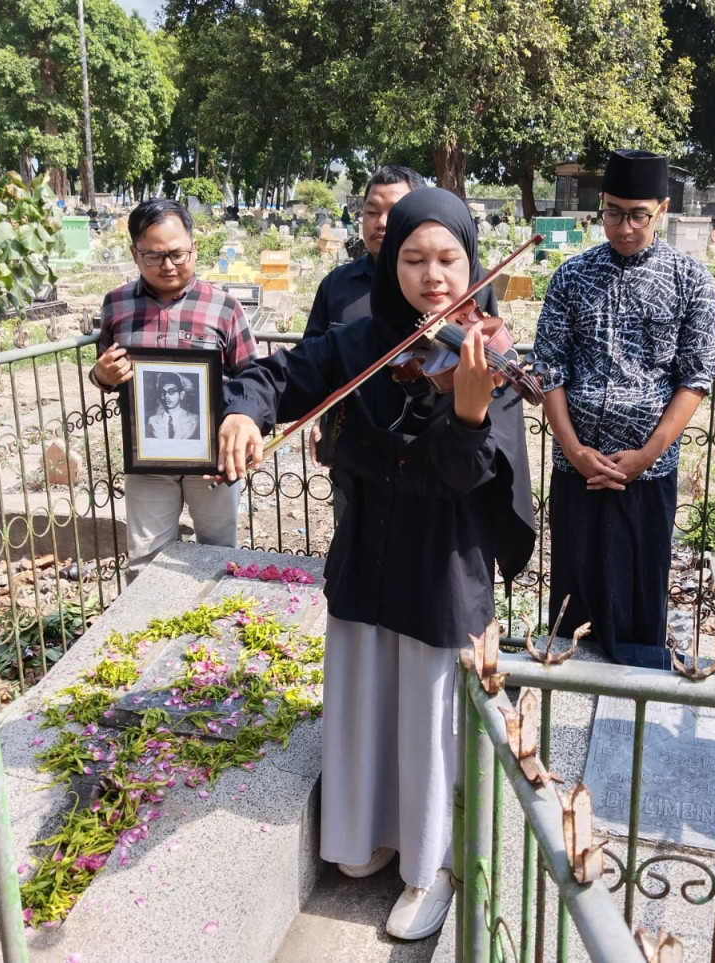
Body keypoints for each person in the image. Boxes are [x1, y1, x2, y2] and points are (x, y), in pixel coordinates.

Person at [217, 189, 536, 941]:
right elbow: (276, 374)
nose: (432, 277)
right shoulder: (360, 341)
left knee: (428, 720)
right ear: (388, 262)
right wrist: (243, 410)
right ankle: (364, 837)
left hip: (440, 569)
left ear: (471, 262)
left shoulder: (489, 355)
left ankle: (433, 867)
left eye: (448, 259)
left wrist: (466, 411)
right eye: (414, 259)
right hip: (367, 556)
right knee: (366, 698)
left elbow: (471, 481)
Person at [530, 148, 715, 668]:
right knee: (574, 582)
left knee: (640, 585)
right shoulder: (572, 277)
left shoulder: (690, 281)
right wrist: (573, 447)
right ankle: (569, 686)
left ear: (662, 209)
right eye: (613, 212)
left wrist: (647, 452)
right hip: (578, 467)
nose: (624, 226)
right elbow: (550, 368)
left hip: (648, 471)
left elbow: (697, 375)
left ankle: (634, 696)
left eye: (638, 214)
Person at [91, 198, 256, 577]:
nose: (168, 265)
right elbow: (104, 374)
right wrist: (102, 375)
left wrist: (241, 434)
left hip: (212, 462)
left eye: (178, 254)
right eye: (154, 256)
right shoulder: (116, 305)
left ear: (194, 248)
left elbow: (251, 380)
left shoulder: (224, 307)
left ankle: (213, 632)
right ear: (135, 254)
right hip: (148, 459)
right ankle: (146, 635)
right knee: (145, 561)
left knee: (218, 555)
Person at [302, 166, 426, 525]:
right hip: (353, 450)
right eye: (372, 211)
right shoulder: (336, 286)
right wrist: (319, 417)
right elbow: (314, 363)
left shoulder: (440, 287)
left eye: (394, 211)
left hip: (420, 452)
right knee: (354, 550)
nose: (381, 222)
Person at [145, 373, 199, 440]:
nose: (166, 396)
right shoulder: (152, 421)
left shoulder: (194, 419)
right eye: (163, 392)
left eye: (171, 391)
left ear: (181, 395)